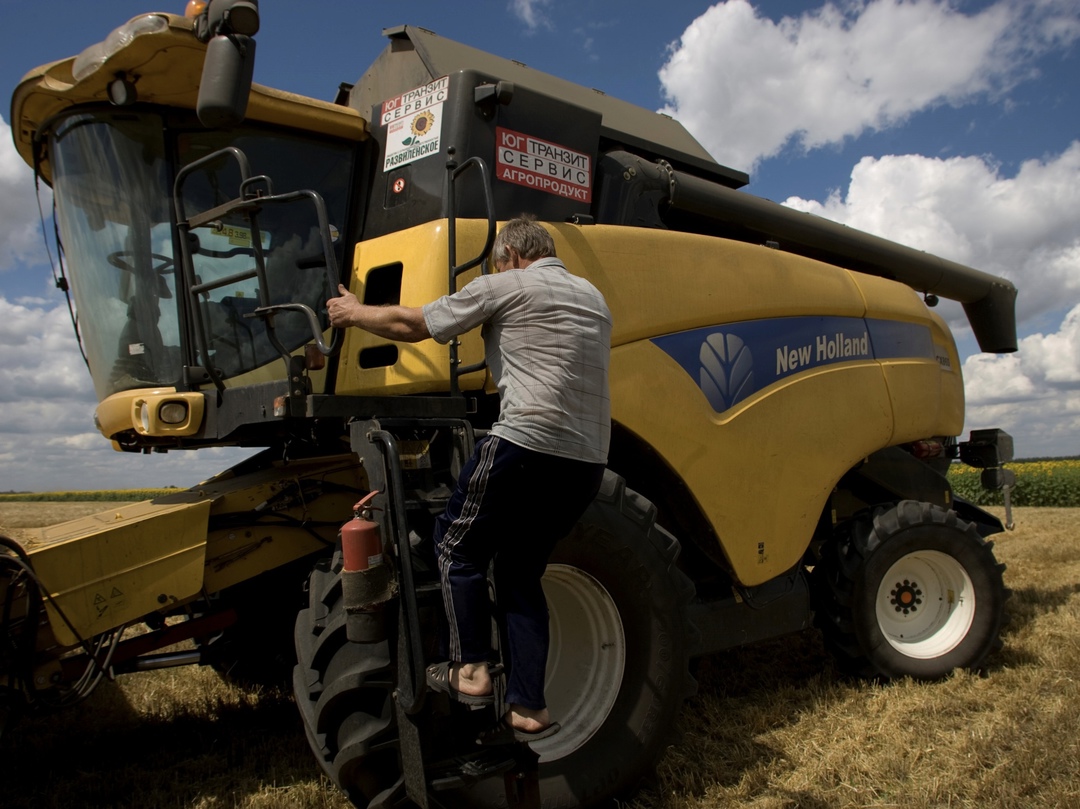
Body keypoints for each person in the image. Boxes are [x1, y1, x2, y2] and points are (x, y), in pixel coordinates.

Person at [326, 216, 611, 743]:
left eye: (499, 264)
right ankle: (529, 707)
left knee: (454, 547)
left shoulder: (507, 283)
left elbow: (412, 325)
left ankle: (471, 668)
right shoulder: (592, 297)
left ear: (508, 257)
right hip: (588, 460)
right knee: (522, 571)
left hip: (524, 442)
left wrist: (352, 312)